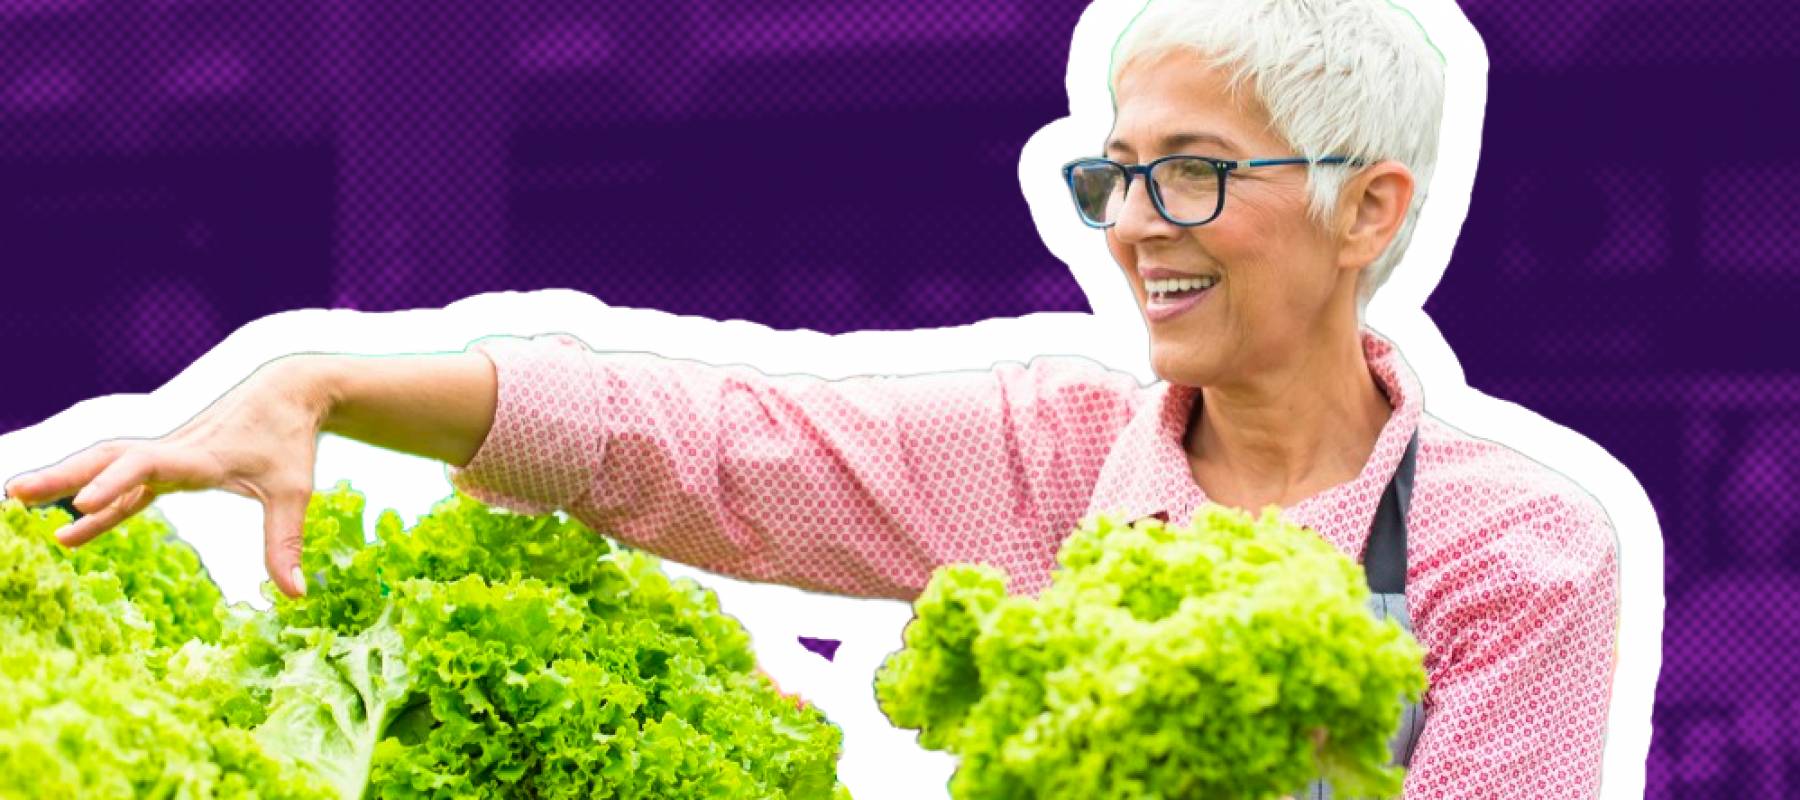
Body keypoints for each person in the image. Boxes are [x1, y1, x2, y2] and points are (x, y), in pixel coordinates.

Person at [4, 0, 1620, 796]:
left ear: (1372, 210)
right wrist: (321, 377)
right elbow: (712, 443)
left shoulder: (1519, 553)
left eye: (1192, 175)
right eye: (1113, 172)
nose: (1130, 223)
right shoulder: (1060, 453)